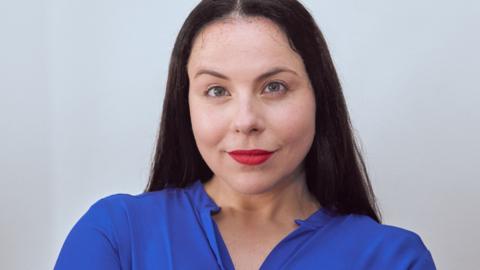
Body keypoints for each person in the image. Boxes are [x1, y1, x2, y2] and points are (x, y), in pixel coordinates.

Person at [54, 0, 436, 269]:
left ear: (319, 95)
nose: (246, 120)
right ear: (184, 105)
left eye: (274, 87)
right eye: (217, 91)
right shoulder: (116, 235)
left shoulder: (393, 259)